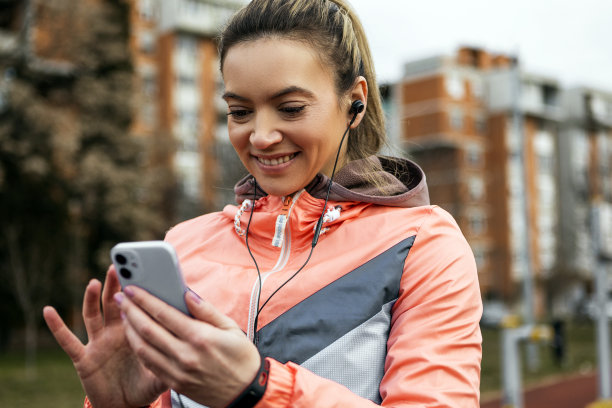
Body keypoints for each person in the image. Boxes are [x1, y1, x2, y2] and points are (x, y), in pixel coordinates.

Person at [43, 0, 483, 407]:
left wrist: (257, 388)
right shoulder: (185, 243)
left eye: (290, 108)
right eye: (240, 111)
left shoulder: (422, 245)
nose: (260, 136)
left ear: (356, 101)